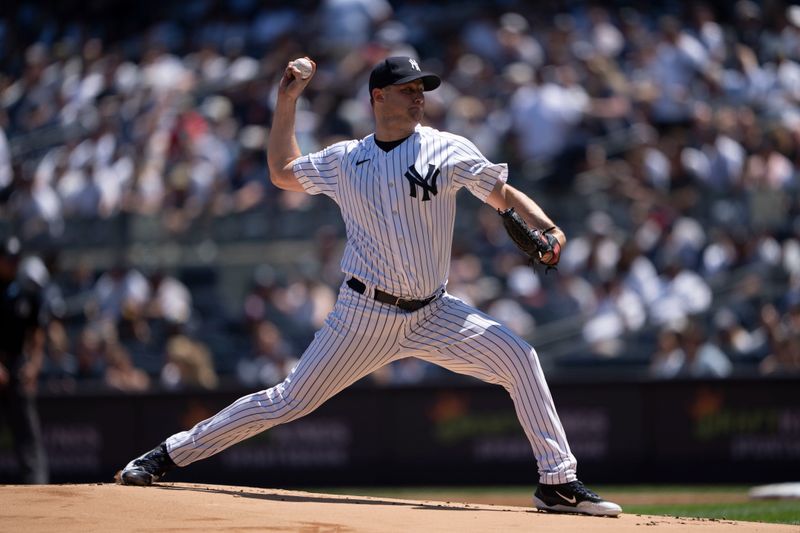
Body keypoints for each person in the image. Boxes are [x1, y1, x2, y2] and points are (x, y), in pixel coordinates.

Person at [118, 56, 622, 517]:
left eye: (422, 88)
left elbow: (503, 194)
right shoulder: (345, 160)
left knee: (519, 358)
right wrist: (287, 100)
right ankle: (167, 454)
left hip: (434, 311)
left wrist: (549, 228)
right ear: (378, 97)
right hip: (363, 315)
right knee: (288, 401)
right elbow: (281, 172)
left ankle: (558, 482)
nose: (419, 95)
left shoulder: (446, 148)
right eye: (407, 88)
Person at [0, 236, 49, 483]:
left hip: (17, 365)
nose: (11, 264)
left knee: (27, 431)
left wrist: (34, 364)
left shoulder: (26, 290)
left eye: (15, 260)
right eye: (8, 259)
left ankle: (36, 486)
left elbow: (37, 331)